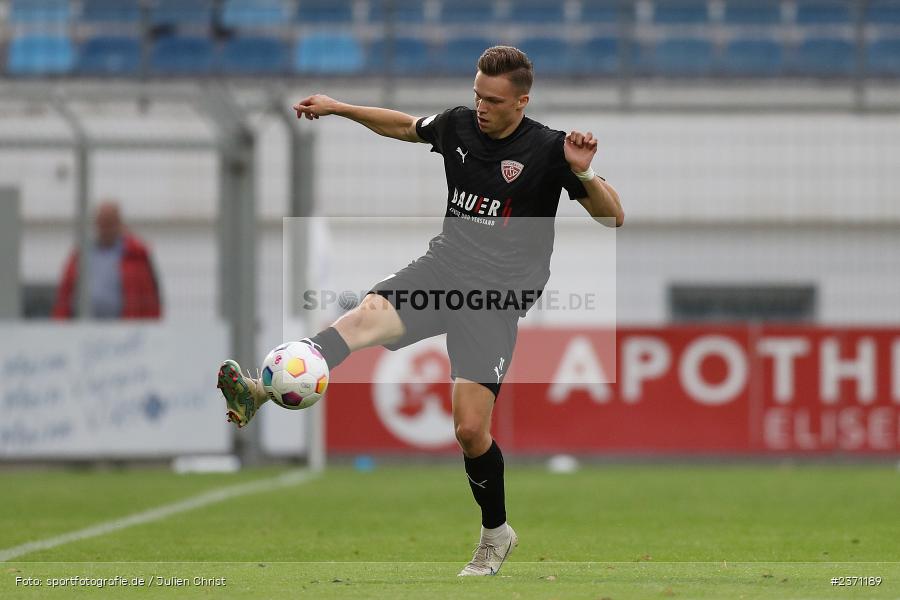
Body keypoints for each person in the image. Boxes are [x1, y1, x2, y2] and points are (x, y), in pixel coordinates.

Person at [216, 46, 623, 576]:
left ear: (521, 101)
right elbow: (406, 126)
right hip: (442, 271)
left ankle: (495, 533)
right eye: (476, 93)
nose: (480, 106)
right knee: (361, 318)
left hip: (492, 300)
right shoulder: (457, 126)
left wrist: (584, 175)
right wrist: (340, 107)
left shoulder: (549, 149)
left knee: (470, 432)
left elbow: (613, 217)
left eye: (493, 100)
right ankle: (261, 388)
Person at [53, 201, 162, 319]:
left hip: (124, 329)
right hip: (84, 325)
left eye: (110, 223)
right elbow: (65, 295)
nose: (106, 228)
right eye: (103, 223)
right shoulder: (81, 255)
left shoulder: (136, 255)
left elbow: (150, 299)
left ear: (119, 223)